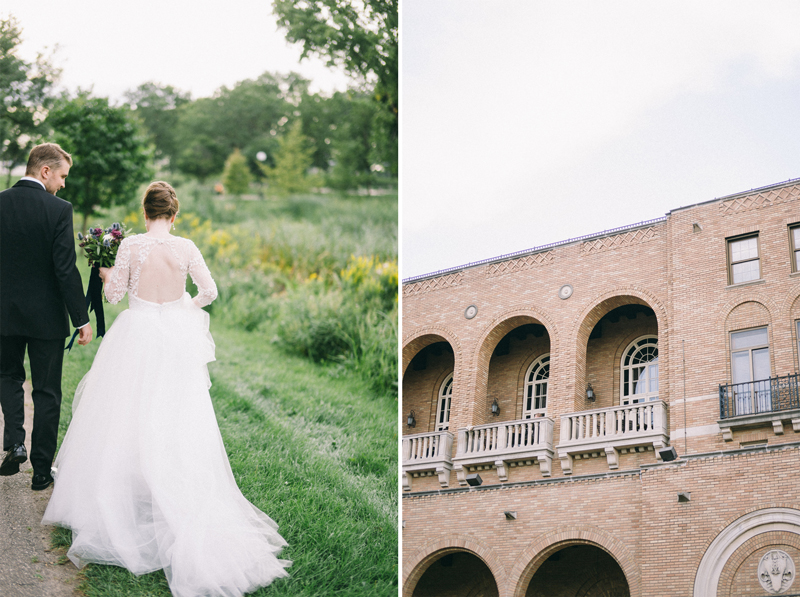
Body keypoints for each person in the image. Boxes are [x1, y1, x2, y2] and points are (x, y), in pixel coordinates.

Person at [42, 182, 290, 597]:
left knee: (124, 414)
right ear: (174, 215)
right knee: (176, 417)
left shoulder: (131, 247)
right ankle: (171, 487)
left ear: (145, 213)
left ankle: (121, 495)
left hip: (135, 334)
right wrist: (180, 310)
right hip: (173, 337)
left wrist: (105, 275)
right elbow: (209, 293)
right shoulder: (187, 247)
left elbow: (116, 294)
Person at [0, 143, 93, 491]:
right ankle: (41, 472)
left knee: (7, 375)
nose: (63, 185)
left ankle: (14, 442)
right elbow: (65, 270)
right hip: (47, 320)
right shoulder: (58, 210)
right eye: (62, 176)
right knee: (47, 392)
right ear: (45, 171)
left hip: (4, 314)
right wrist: (81, 319)